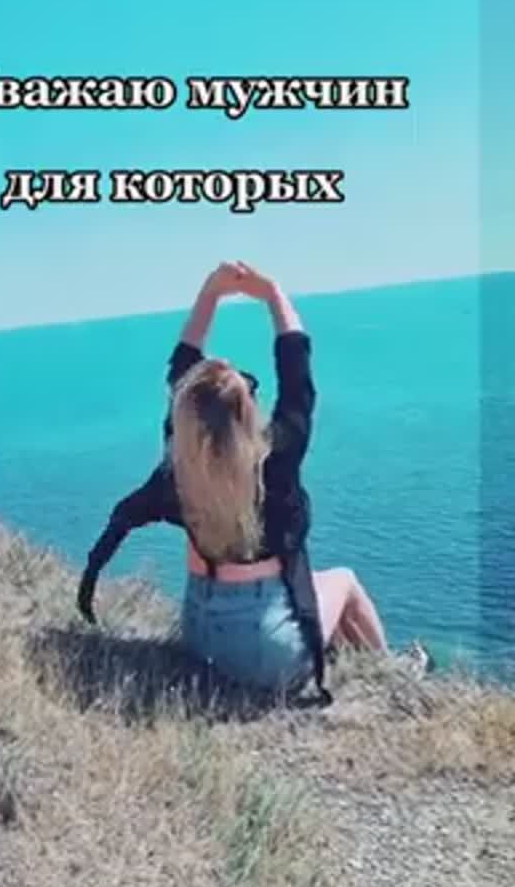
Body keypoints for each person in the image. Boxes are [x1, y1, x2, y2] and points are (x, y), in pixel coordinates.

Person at [77, 262, 404, 704]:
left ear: (186, 417)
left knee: (318, 586)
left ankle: (353, 658)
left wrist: (210, 294)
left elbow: (182, 370)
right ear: (248, 411)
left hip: (200, 635)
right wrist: (274, 295)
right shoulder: (276, 461)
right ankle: (392, 677)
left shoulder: (179, 466)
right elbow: (298, 378)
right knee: (344, 581)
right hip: (268, 653)